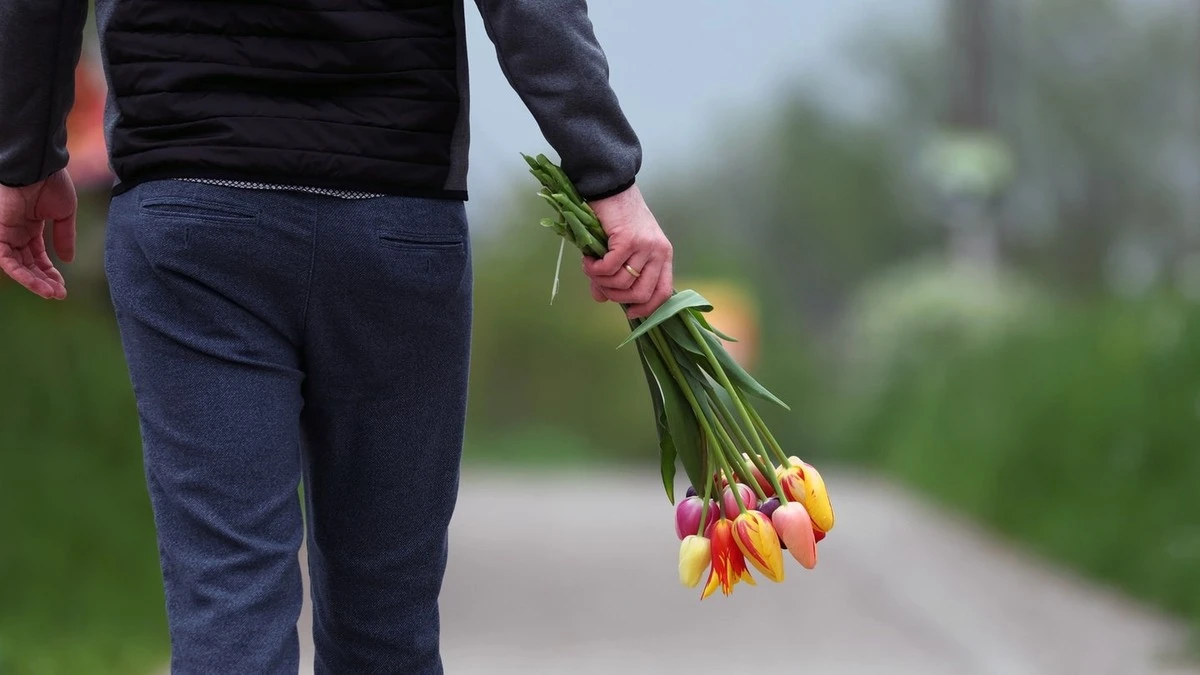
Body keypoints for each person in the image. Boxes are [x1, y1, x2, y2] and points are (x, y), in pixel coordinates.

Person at [0, 1, 674, 672]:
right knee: (386, 630)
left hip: (194, 204)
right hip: (394, 209)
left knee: (229, 608)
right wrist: (606, 173)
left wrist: (23, 155)